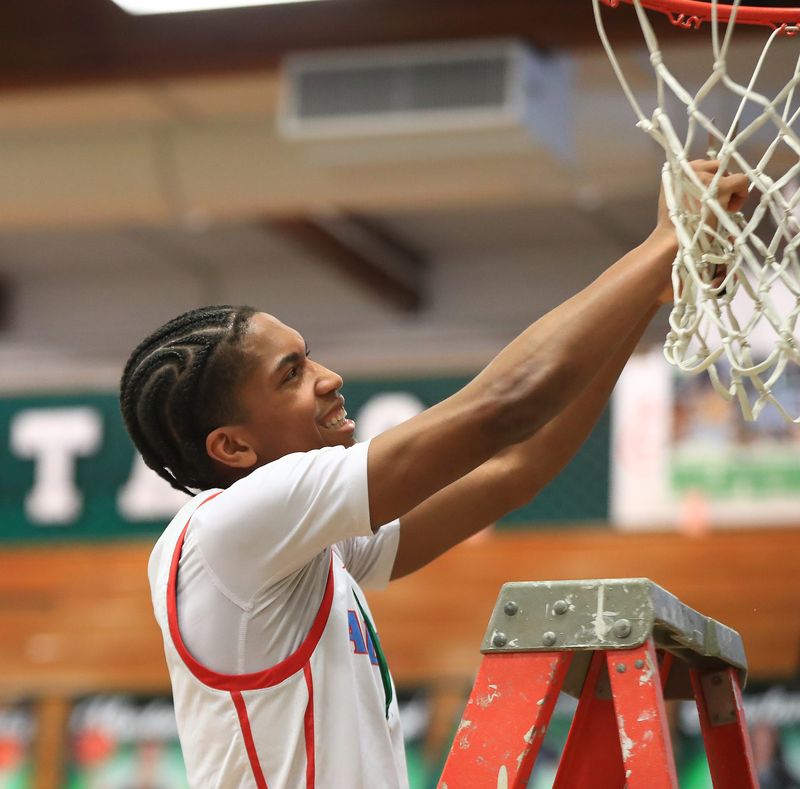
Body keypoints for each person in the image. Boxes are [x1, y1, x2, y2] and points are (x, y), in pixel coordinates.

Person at [119, 161, 748, 788]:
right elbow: (506, 406)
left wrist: (649, 294)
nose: (328, 377)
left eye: (309, 357)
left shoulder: (299, 552)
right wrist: (662, 244)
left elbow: (515, 469)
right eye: (291, 374)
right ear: (232, 447)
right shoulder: (229, 530)